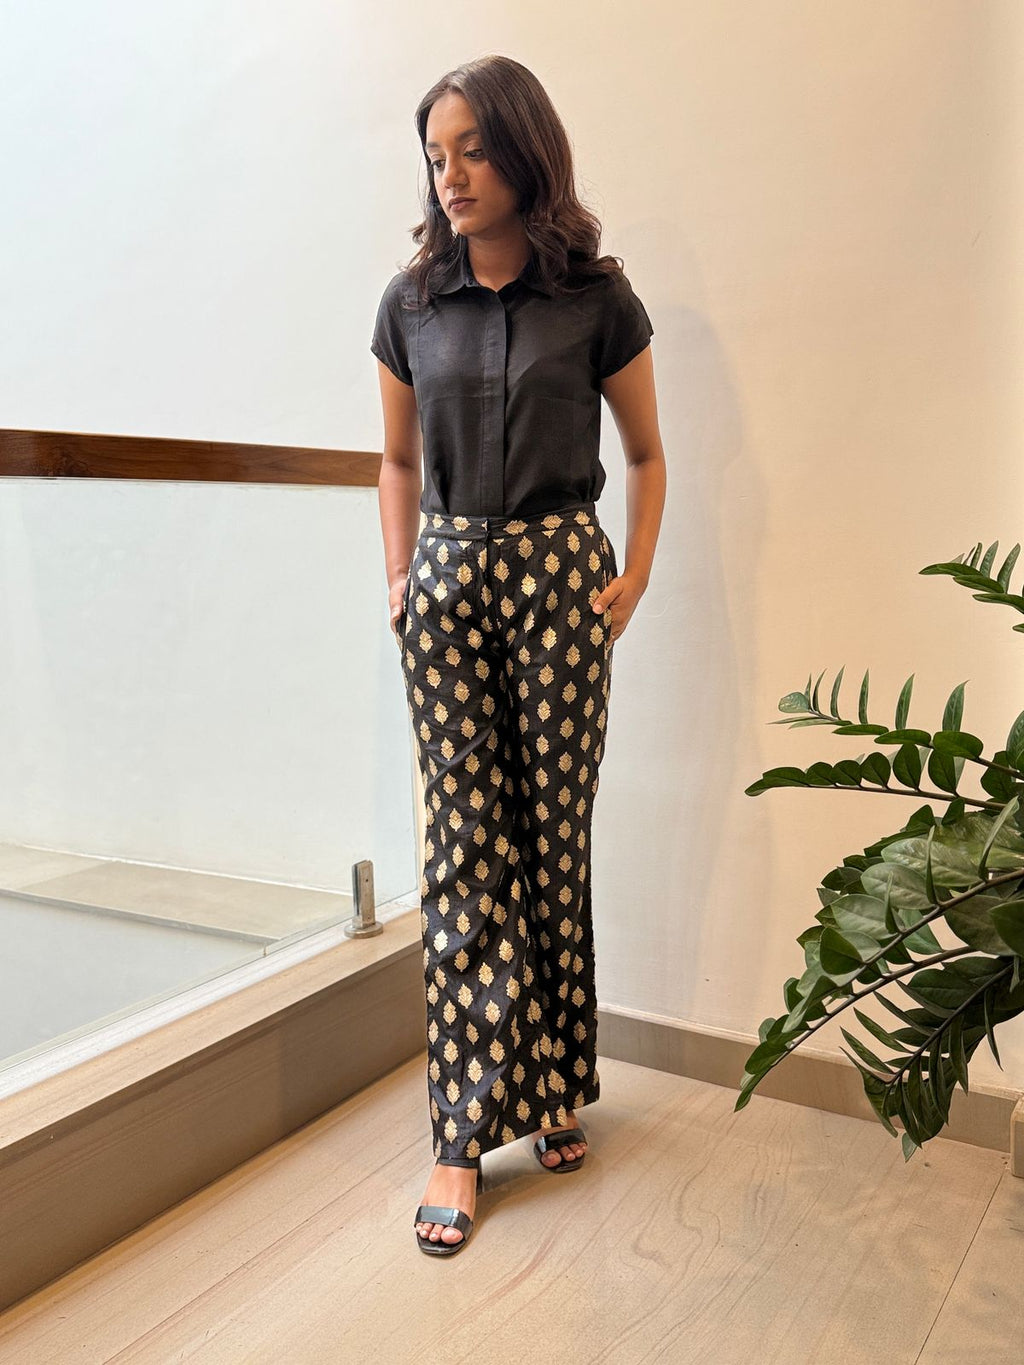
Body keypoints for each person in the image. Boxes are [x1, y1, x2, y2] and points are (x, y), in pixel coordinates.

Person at [371, 54, 666, 1256]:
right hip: (444, 585)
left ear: (523, 150)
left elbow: (645, 453)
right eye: (435, 155)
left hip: (558, 577)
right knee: (462, 849)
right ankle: (458, 1136)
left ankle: (550, 1089)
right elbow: (392, 460)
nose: (450, 175)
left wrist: (632, 576)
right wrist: (399, 579)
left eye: (471, 150)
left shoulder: (596, 297)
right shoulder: (407, 302)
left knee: (552, 838)